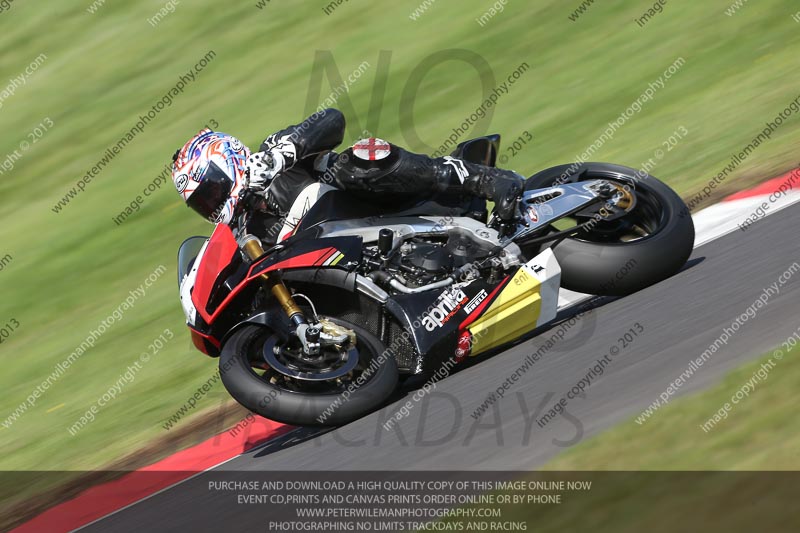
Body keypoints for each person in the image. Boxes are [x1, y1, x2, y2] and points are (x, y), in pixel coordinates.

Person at [171, 108, 524, 243]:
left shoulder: (273, 152)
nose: (211, 205)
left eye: (210, 192)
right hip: (369, 260)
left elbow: (332, 119)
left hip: (386, 205)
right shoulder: (245, 234)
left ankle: (482, 179)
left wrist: (281, 155)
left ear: (228, 164)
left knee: (357, 160)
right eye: (202, 204)